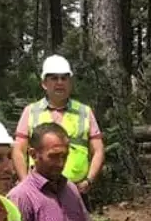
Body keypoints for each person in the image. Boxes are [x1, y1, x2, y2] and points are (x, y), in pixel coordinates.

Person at [12, 55, 105, 196]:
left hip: (76, 190)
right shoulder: (31, 111)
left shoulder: (84, 112)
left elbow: (98, 150)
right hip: (39, 190)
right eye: (54, 78)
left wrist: (89, 181)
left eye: (64, 78)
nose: (60, 83)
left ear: (70, 82)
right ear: (44, 83)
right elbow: (18, 149)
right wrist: (26, 183)